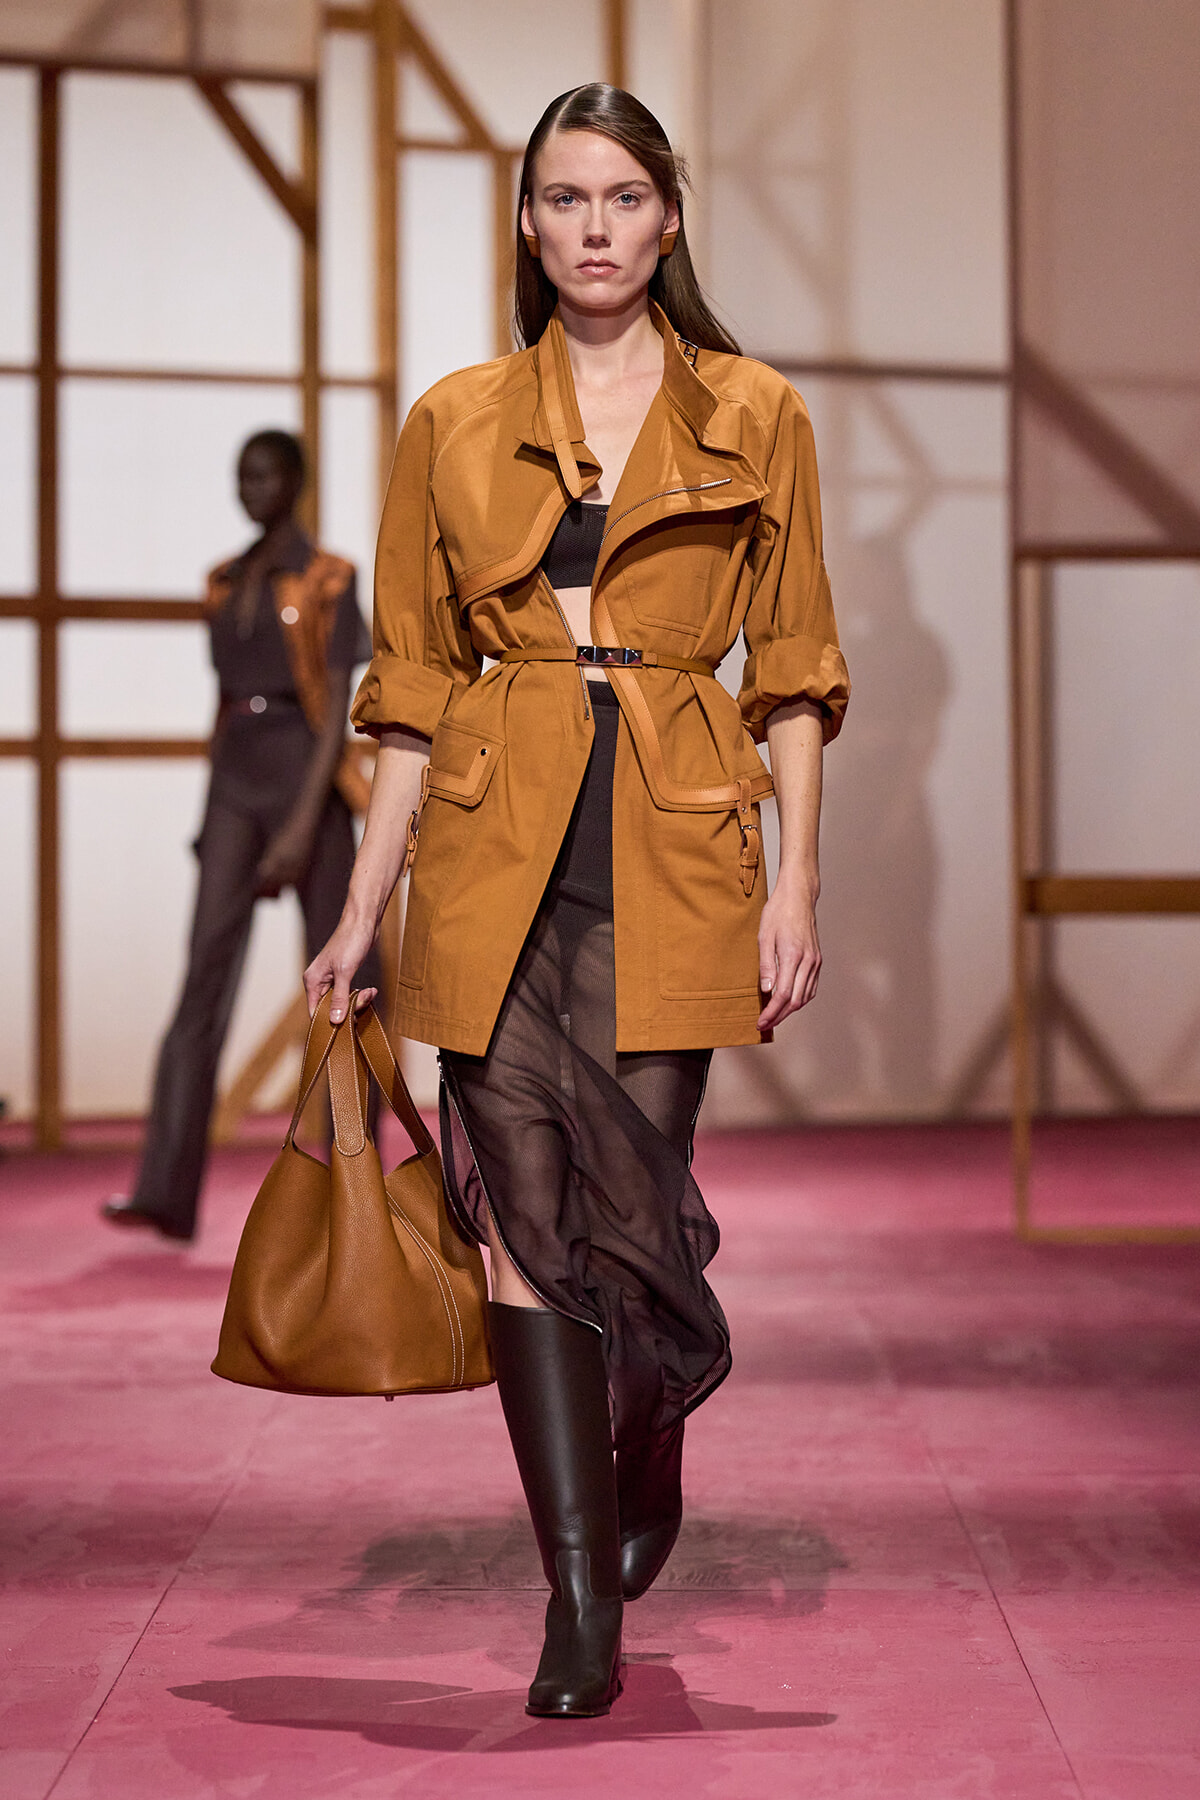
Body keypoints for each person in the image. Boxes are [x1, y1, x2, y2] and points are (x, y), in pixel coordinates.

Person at [306, 85, 849, 1720]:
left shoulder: (757, 414)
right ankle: (573, 1600)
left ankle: (650, 1426)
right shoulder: (454, 419)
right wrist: (358, 912)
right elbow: (406, 690)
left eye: (623, 196)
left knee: (627, 1218)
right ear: (530, 225)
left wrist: (798, 882)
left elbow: (800, 672)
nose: (596, 225)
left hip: (677, 846)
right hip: (491, 849)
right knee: (519, 1227)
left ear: (667, 218)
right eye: (565, 198)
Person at [103, 429, 379, 1244]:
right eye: (241, 475)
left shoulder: (330, 577)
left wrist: (299, 825)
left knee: (339, 995)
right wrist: (212, 814)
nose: (250, 487)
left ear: (293, 481)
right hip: (236, 781)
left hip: (307, 780)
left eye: (265, 474)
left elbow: (334, 707)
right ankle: (164, 1190)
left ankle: (351, 1189)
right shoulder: (222, 582)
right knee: (200, 985)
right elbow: (224, 706)